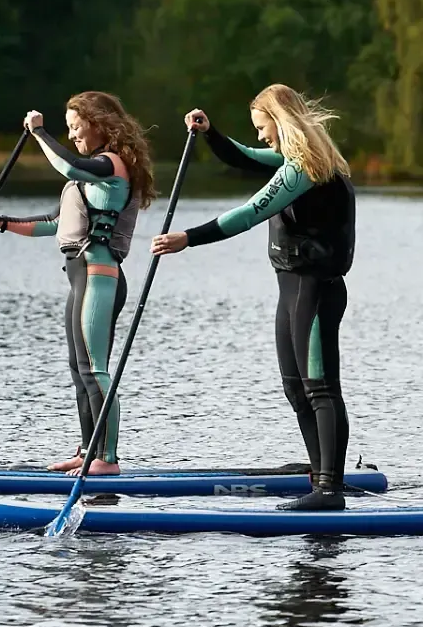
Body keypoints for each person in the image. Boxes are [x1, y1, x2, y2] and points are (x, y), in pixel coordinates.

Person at [151, 84, 356, 511]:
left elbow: (247, 213)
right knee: (295, 390)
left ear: (281, 121)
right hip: (292, 288)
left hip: (315, 291)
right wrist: (210, 134)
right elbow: (243, 156)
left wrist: (187, 238)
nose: (261, 135)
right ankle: (319, 478)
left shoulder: (305, 168)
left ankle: (330, 490)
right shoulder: (292, 160)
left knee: (320, 389)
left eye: (263, 126)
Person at [0, 92, 156, 474]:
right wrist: (2, 222)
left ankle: (107, 460)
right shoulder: (90, 177)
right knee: (79, 369)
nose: (72, 136)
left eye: (76, 127)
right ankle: (88, 450)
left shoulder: (110, 166)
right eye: (68, 129)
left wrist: (39, 133)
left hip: (99, 276)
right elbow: (57, 224)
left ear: (100, 125)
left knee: (95, 369)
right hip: (80, 275)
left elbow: (69, 165)